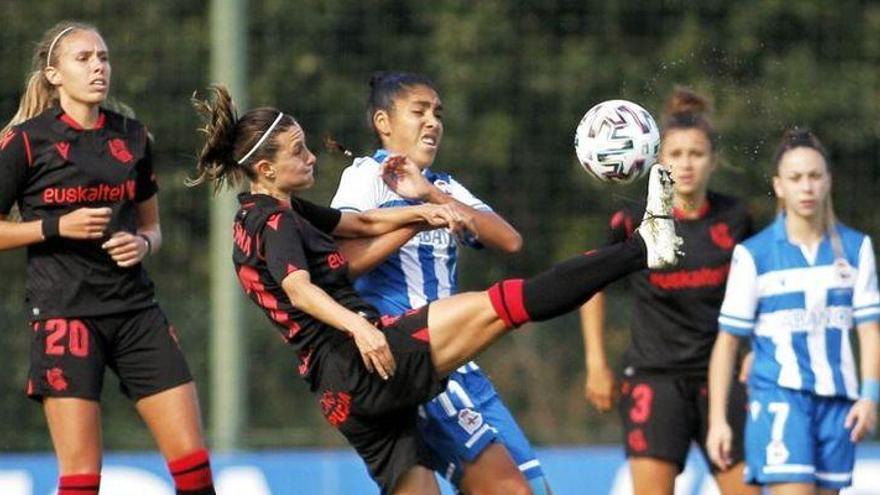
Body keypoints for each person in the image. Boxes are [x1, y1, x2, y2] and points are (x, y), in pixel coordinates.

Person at [189, 83, 681, 494]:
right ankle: (642, 248)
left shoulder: (270, 214)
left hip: (341, 397)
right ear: (266, 169)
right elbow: (299, 289)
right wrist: (359, 328)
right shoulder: (274, 222)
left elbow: (357, 223)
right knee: (505, 304)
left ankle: (642, 247)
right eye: (299, 150)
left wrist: (423, 212)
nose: (312, 156)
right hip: (368, 360)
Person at [0, 22, 215, 495]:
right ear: (53, 75)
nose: (99, 66)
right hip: (65, 316)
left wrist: (142, 245)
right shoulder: (25, 142)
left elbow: (151, 228)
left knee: (196, 468)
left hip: (137, 312)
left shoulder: (133, 136)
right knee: (81, 480)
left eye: (104, 56)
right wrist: (56, 226)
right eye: (84, 58)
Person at [330, 71, 552, 495]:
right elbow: (340, 264)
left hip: (464, 363)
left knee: (536, 488)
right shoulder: (366, 178)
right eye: (419, 112)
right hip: (418, 362)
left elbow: (509, 239)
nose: (433, 122)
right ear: (383, 122)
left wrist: (430, 196)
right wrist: (414, 220)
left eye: (438, 113)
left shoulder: (444, 186)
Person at [578, 87, 757, 495]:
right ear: (658, 160)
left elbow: (763, 290)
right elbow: (592, 285)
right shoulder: (633, 220)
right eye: (676, 154)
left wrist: (758, 351)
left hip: (723, 378)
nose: (686, 164)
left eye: (696, 153)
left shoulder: (737, 218)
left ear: (714, 160)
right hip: (654, 379)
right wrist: (595, 364)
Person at [706, 129, 880, 494]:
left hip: (838, 403)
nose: (807, 187)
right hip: (779, 398)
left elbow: (869, 330)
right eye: (796, 178)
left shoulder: (855, 247)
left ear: (828, 181)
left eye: (815, 176)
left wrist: (870, 396)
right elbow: (727, 343)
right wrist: (719, 420)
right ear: (779, 186)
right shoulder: (755, 254)